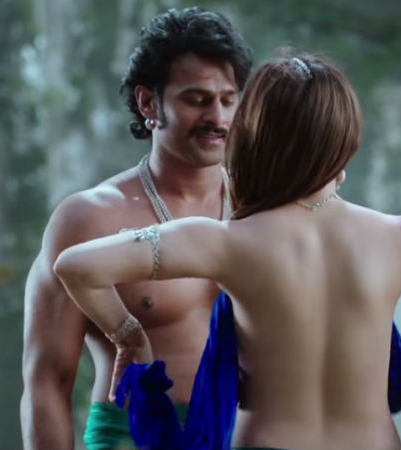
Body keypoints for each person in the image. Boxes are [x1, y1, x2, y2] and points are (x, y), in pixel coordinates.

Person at [53, 53, 401, 450]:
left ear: (254, 138)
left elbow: (76, 266)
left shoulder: (222, 241)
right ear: (344, 140)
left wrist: (129, 338)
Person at [20, 7, 253, 450]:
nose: (218, 118)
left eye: (228, 99)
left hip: (247, 434)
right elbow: (48, 382)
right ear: (149, 103)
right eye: (196, 99)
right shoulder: (90, 218)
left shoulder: (263, 208)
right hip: (133, 437)